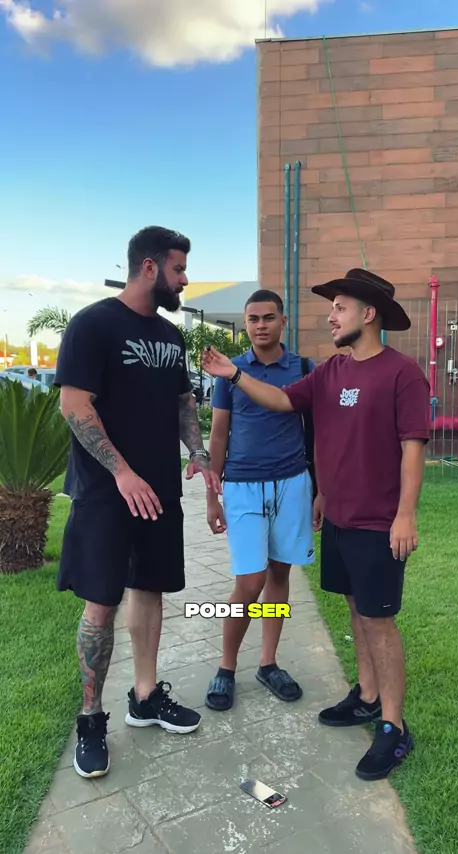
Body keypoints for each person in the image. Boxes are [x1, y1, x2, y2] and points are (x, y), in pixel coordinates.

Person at [201, 269, 430, 781]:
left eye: (340, 308)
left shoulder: (402, 373)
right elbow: (283, 400)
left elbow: (413, 448)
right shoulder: (330, 372)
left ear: (368, 314)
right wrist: (233, 375)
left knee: (379, 621)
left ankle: (394, 727)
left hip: (378, 521)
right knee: (355, 609)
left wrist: (406, 513)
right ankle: (366, 696)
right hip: (340, 517)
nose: (331, 316)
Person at [54, 226, 221, 779]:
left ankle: (145, 697)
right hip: (107, 493)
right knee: (101, 603)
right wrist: (122, 472)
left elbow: (182, 402)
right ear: (149, 267)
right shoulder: (93, 324)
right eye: (179, 269)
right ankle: (90, 717)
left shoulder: (170, 336)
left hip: (160, 489)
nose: (185, 280)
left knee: (151, 589)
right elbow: (74, 405)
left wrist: (198, 452)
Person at [204, 289, 316, 711]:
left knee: (279, 576)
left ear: (283, 321)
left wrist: (320, 490)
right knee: (249, 582)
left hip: (291, 483)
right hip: (242, 485)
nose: (261, 325)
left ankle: (268, 663)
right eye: (253, 319)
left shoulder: (303, 368)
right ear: (246, 323)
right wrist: (212, 496)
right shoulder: (228, 371)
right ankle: (226, 666)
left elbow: (316, 434)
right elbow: (218, 436)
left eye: (269, 317)